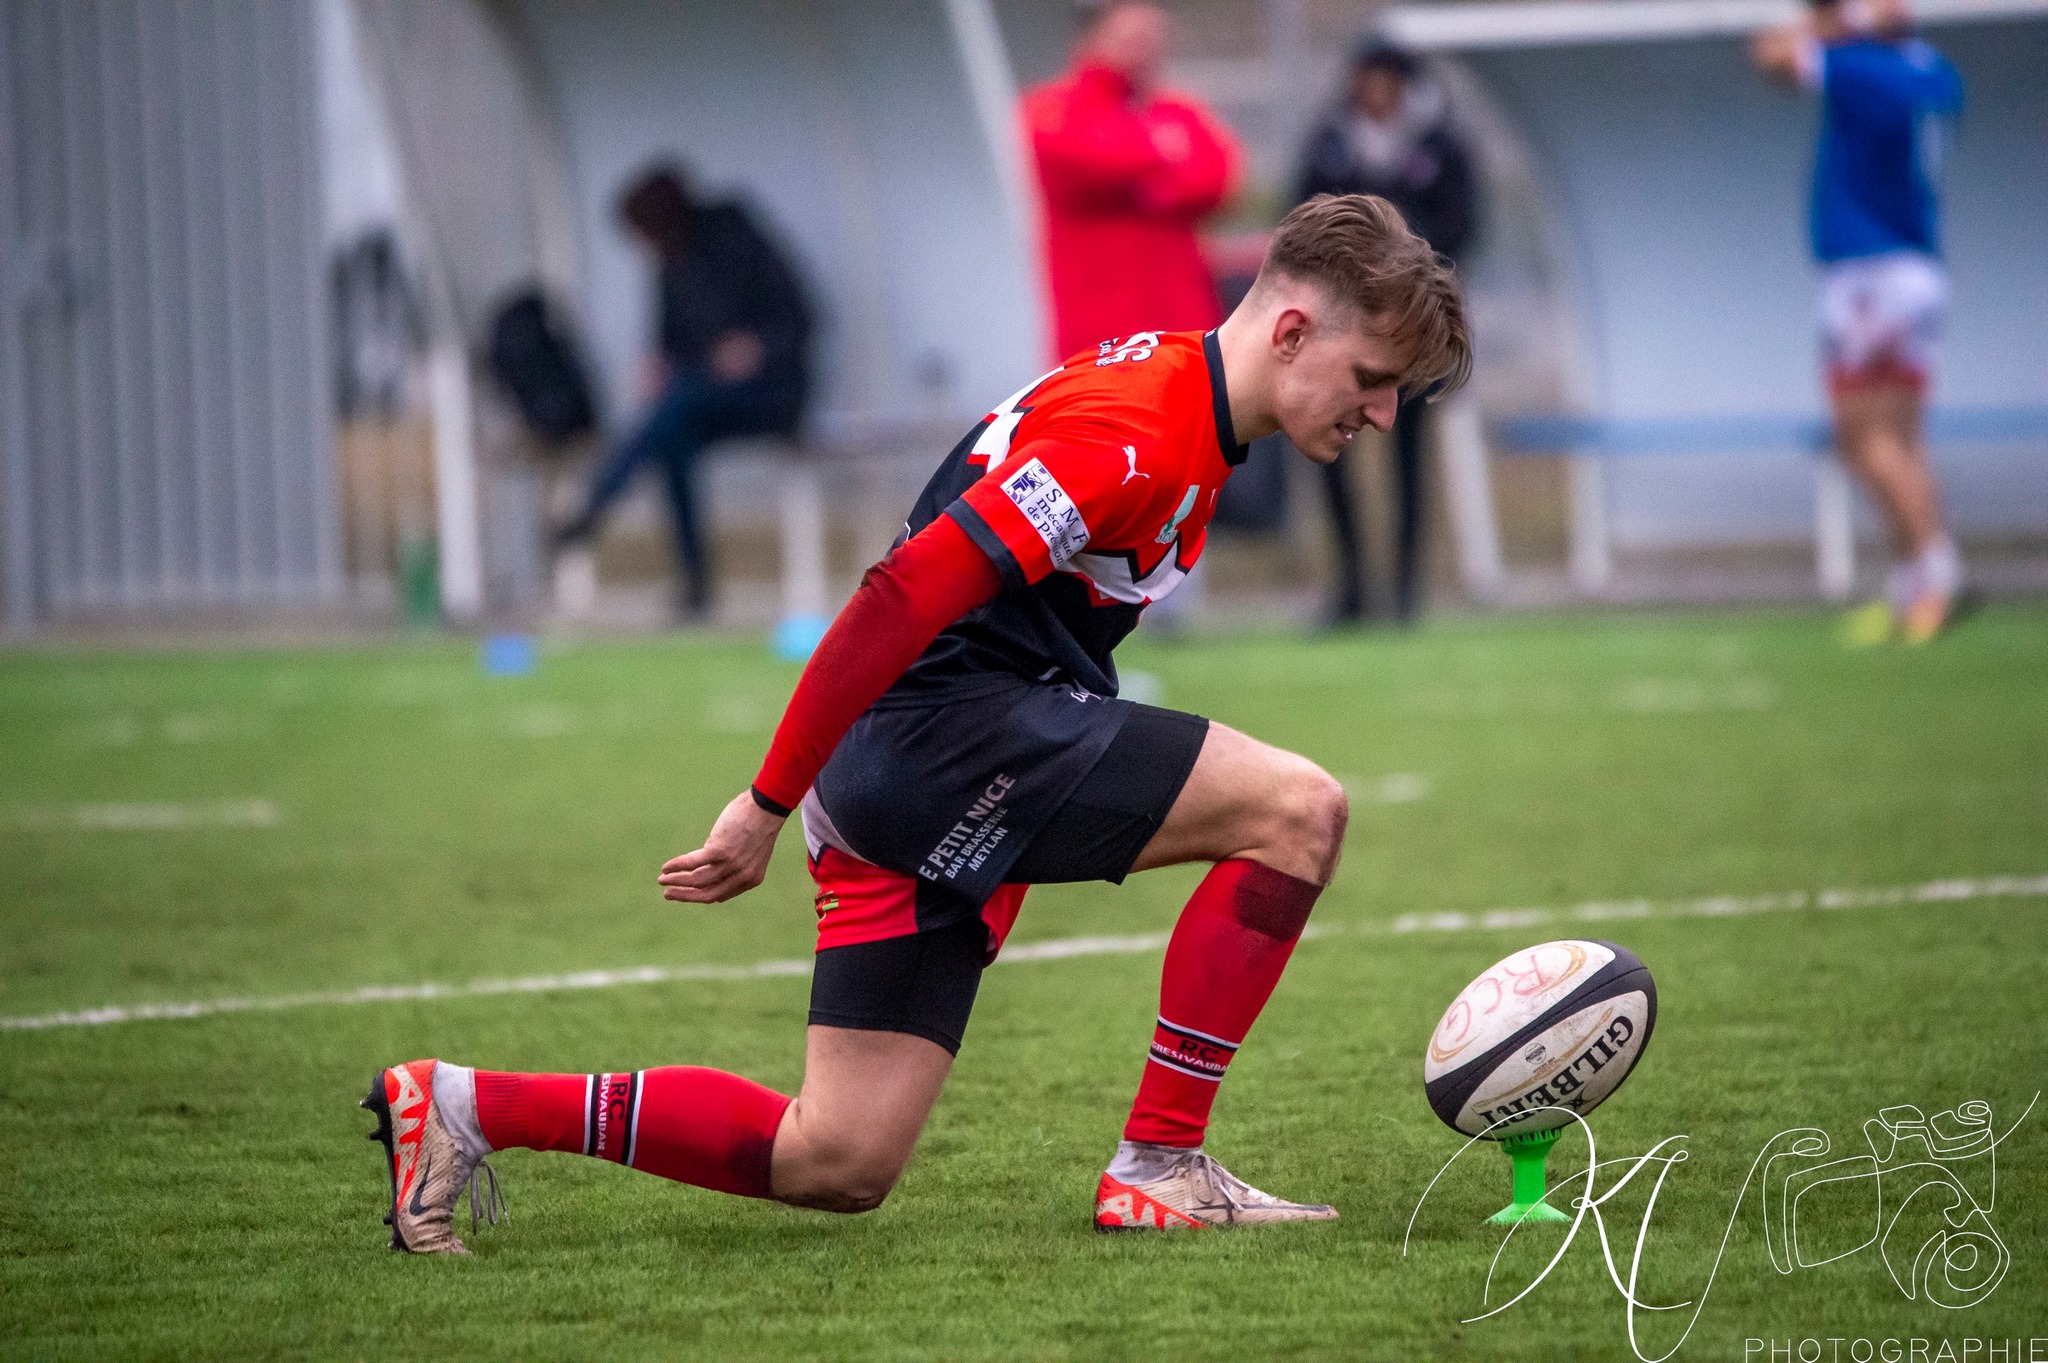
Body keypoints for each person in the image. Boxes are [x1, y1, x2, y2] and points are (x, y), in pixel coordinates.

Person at [362, 194, 1470, 1252]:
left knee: (836, 1157)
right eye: (1371, 380)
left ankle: (458, 1105)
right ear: (1291, 331)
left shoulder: (1189, 406)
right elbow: (898, 595)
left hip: (904, 768)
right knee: (1297, 810)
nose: (1381, 414)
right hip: (944, 745)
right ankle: (1160, 1163)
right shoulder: (1134, 432)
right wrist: (763, 801)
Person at [1753, 0, 1964, 644]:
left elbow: (1770, 54)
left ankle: (1936, 574)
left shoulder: (1862, 66)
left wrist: (1836, 25)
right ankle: (1912, 584)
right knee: (1898, 439)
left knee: (1862, 435)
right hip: (1914, 265)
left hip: (1870, 275)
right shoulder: (1932, 70)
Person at [554, 164, 814, 618]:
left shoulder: (736, 236)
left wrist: (755, 348)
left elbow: (802, 316)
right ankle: (694, 583)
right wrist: (658, 366)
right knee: (673, 433)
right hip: (704, 399)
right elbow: (669, 344)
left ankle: (598, 501)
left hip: (773, 392)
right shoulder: (669, 265)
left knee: (678, 404)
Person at [1295, 40, 1475, 625]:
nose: (1373, 92)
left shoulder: (1440, 145)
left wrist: (1404, 270)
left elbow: (1465, 223)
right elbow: (1301, 224)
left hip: (1413, 332)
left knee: (1409, 457)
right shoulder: (1330, 143)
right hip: (1339, 331)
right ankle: (1351, 587)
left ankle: (1404, 590)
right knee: (1329, 451)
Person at [1023, 2, 1241, 363]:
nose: (1144, 53)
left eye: (1152, 42)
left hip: (1183, 320)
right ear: (1089, 40)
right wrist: (1161, 158)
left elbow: (1218, 176)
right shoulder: (1051, 108)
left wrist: (1148, 184)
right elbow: (1084, 160)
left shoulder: (1176, 109)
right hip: (1096, 328)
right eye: (1131, 41)